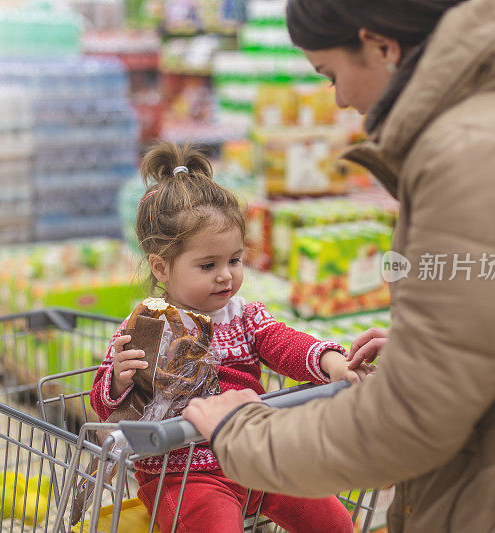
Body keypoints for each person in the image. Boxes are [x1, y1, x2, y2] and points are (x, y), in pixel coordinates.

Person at [182, 0, 495, 531]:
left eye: (332, 74)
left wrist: (239, 431)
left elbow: (409, 421)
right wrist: (431, 341)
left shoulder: (475, 155)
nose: (338, 101)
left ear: (381, 46)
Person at [89, 141, 372, 532]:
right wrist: (119, 378)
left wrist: (334, 363)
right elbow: (105, 408)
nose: (226, 275)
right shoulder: (143, 329)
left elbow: (285, 343)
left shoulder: (245, 316)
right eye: (208, 265)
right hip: (184, 474)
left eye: (234, 260)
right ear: (161, 268)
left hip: (255, 451)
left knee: (333, 519)